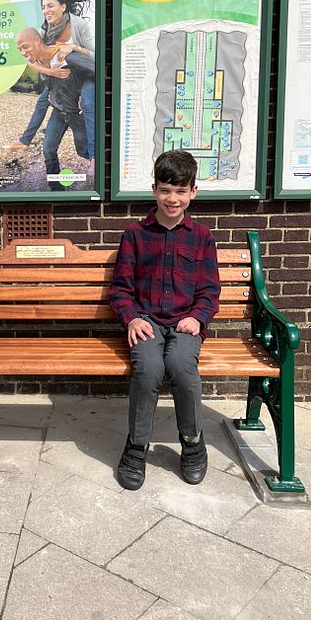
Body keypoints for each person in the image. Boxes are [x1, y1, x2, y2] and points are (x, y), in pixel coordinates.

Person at [108, 150, 221, 489]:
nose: (173, 199)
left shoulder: (202, 237)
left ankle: (192, 442)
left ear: (193, 192)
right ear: (154, 189)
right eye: (166, 190)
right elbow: (121, 289)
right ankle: (137, 447)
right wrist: (130, 318)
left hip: (185, 323)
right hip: (147, 321)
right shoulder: (135, 235)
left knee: (183, 368)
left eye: (181, 191)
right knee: (149, 370)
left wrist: (199, 318)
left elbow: (210, 289)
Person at [11, 0, 96, 169]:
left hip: (87, 74)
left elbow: (95, 57)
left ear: (63, 6)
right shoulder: (44, 31)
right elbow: (35, 60)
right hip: (61, 80)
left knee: (88, 103)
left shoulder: (78, 25)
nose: (46, 10)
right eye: (43, 7)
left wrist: (74, 47)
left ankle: (95, 157)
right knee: (44, 100)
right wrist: (53, 72)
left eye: (50, 5)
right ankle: (27, 141)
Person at [16, 26, 93, 191]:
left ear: (37, 40)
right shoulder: (38, 62)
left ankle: (104, 167)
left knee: (83, 151)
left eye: (25, 46)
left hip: (76, 113)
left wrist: (88, 96)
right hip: (58, 112)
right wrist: (25, 139)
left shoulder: (67, 57)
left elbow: (97, 70)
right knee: (48, 149)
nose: (23, 52)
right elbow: (45, 96)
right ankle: (56, 189)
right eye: (20, 49)